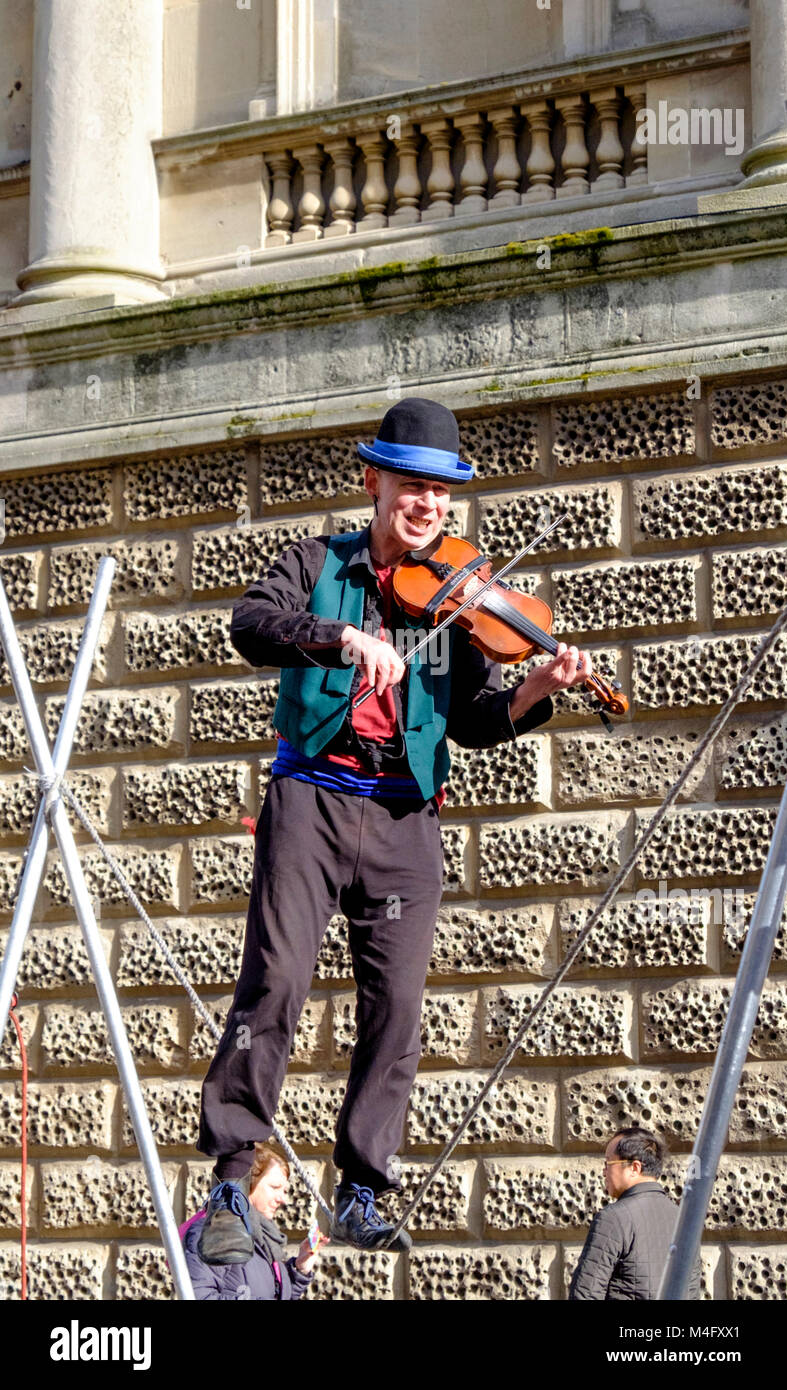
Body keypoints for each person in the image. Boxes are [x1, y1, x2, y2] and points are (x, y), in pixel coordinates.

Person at [196, 396, 593, 1262]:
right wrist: (342, 638)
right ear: (372, 481)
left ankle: (363, 1188)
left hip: (407, 813)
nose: (427, 507)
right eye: (412, 487)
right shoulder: (312, 562)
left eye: (442, 494)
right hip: (312, 797)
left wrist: (532, 694)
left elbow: (472, 722)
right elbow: (251, 627)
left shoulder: (454, 601)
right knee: (275, 982)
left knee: (398, 1009)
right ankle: (232, 1175)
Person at [569, 1126, 701, 1300]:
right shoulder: (685, 1220)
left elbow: (585, 1294)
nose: (603, 1172)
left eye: (608, 1163)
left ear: (634, 1168)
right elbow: (691, 1293)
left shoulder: (614, 1218)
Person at [183, 1142, 328, 1299]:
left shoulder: (264, 1237)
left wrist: (299, 1269)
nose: (283, 1199)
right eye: (274, 1187)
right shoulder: (217, 1230)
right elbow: (198, 1295)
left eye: (284, 1190)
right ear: (248, 1185)